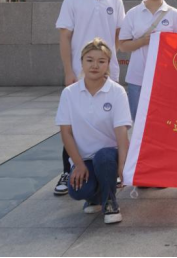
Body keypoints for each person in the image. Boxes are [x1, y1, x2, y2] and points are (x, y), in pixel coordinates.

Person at [54, 0, 126, 196]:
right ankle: (69, 169)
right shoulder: (72, 0)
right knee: (74, 123)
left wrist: (111, 60)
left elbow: (118, 35)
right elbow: (65, 38)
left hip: (108, 72)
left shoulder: (115, 0)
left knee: (110, 121)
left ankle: (111, 169)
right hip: (80, 72)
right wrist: (69, 71)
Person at [56, 38, 132, 224]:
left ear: (108, 64)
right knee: (78, 190)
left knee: (103, 158)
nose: (95, 65)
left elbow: (121, 132)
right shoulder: (69, 93)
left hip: (109, 156)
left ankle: (110, 201)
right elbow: (66, 133)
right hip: (85, 158)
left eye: (101, 61)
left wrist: (123, 164)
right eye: (89, 60)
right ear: (81, 62)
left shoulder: (117, 91)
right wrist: (78, 165)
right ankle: (95, 196)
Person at [118, 0, 177, 119]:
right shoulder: (133, 13)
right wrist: (142, 41)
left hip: (165, 78)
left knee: (163, 120)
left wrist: (166, 43)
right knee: (138, 120)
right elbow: (123, 45)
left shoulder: (174, 14)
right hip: (138, 77)